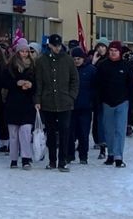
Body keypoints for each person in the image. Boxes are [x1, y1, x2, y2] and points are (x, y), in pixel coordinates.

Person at [35, 34, 78, 170]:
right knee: (51, 134)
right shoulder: (42, 61)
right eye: (54, 46)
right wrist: (38, 99)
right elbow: (39, 82)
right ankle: (52, 160)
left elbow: (74, 80)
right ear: (50, 46)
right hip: (48, 102)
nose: (57, 48)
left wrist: (71, 96)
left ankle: (63, 160)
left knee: (65, 132)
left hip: (65, 102)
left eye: (59, 45)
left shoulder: (68, 60)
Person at [94, 41, 133, 168]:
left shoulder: (126, 66)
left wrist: (132, 102)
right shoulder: (102, 66)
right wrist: (98, 101)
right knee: (108, 130)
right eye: (111, 50)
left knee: (120, 130)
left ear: (120, 52)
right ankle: (110, 154)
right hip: (106, 102)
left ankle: (118, 156)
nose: (113, 52)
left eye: (115, 51)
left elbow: (132, 85)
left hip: (122, 102)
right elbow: (97, 85)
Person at [1, 38, 36, 169]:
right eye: (22, 51)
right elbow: (3, 82)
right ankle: (14, 159)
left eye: (27, 51)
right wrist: (17, 83)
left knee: (26, 132)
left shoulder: (33, 66)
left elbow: (37, 84)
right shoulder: (9, 66)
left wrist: (31, 85)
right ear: (17, 52)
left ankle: (26, 158)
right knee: (14, 134)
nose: (25, 54)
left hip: (27, 103)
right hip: (13, 103)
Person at [68, 47, 97, 164]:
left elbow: (95, 88)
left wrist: (93, 102)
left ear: (83, 58)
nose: (76, 61)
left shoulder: (91, 70)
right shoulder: (68, 70)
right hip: (70, 106)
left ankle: (83, 156)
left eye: (78, 58)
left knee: (84, 133)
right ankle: (70, 155)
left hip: (85, 107)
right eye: (74, 59)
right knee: (70, 133)